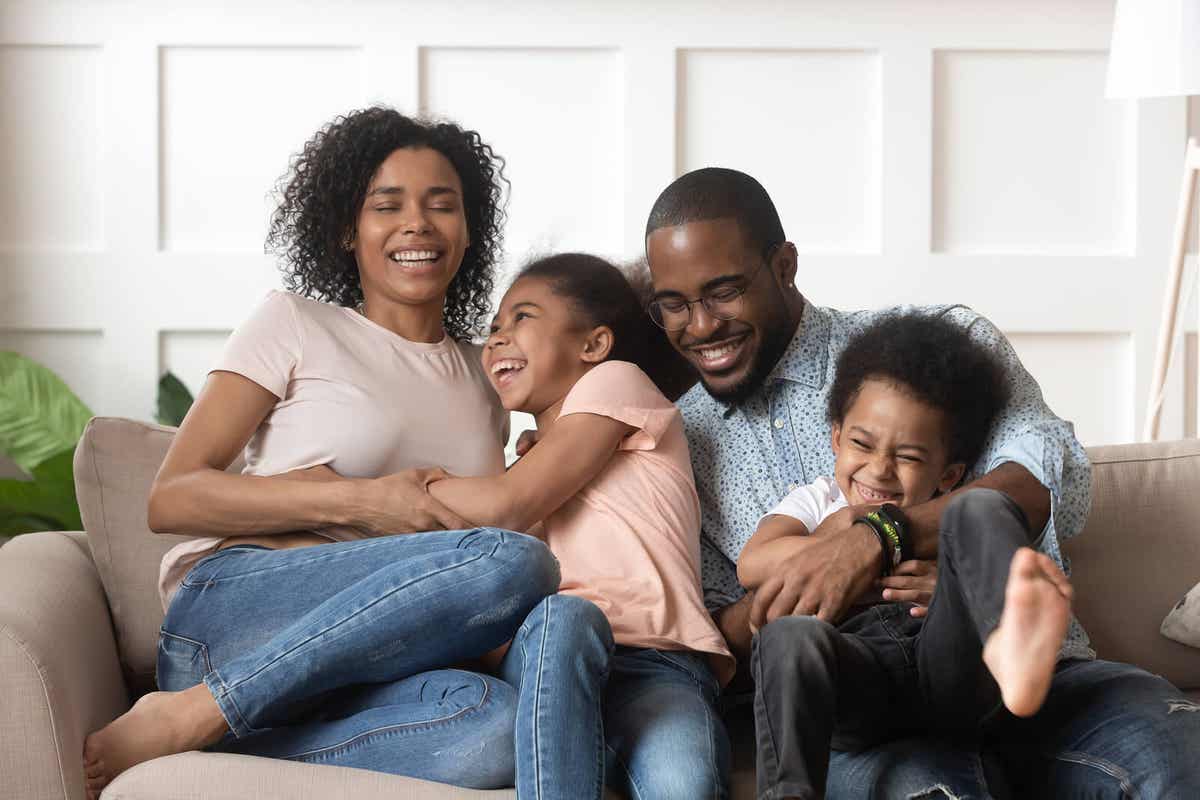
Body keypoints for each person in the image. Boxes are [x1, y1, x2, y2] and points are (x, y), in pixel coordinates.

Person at [642, 166, 1200, 798]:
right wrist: (827, 588)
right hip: (865, 714)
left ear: (785, 265)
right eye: (674, 305)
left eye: (723, 291)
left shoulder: (938, 343)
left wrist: (890, 544)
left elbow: (1046, 476)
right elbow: (711, 637)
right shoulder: (679, 440)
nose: (702, 325)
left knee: (1177, 751)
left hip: (1040, 679)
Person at [81, 107, 560, 798]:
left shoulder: (487, 380)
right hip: (239, 616)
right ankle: (200, 709)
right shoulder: (294, 323)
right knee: (508, 560)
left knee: (496, 725)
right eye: (386, 205)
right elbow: (173, 495)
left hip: (361, 668)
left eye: (442, 205)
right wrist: (363, 501)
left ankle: (222, 731)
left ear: (468, 228)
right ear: (346, 228)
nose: (417, 224)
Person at [429, 252, 734, 799]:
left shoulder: (618, 383)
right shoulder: (523, 468)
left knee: (685, 785)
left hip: (658, 662)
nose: (496, 339)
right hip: (550, 664)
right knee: (565, 616)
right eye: (493, 326)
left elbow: (508, 504)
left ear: (593, 345)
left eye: (521, 317)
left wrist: (392, 491)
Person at [741, 312, 1076, 799]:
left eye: (910, 457)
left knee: (980, 505)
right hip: (858, 675)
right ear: (836, 438)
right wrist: (842, 537)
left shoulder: (945, 516)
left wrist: (958, 585)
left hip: (949, 663)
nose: (879, 470)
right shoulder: (816, 502)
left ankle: (1012, 644)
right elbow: (753, 563)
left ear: (946, 474)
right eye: (861, 444)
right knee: (788, 636)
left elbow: (981, 520)